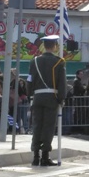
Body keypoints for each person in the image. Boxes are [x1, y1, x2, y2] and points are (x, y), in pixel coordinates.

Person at [27, 36, 67, 166]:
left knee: (37, 125)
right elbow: (62, 83)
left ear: (44, 45)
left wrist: (30, 96)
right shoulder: (59, 62)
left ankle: (35, 156)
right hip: (51, 98)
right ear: (55, 46)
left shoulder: (35, 61)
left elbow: (29, 80)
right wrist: (61, 99)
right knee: (48, 127)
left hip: (37, 97)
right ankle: (45, 156)